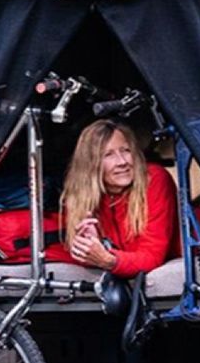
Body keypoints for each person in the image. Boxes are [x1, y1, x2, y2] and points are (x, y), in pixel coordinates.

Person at [58, 119, 179, 278]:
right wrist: (91, 247)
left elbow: (152, 257)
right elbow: (85, 255)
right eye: (108, 155)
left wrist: (109, 260)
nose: (122, 162)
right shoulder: (79, 195)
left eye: (126, 151)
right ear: (90, 164)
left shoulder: (154, 179)